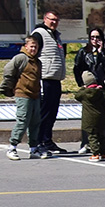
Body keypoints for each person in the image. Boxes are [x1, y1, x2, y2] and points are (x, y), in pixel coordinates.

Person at [73, 26, 105, 155]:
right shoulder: (83, 52)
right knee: (89, 117)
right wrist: (81, 84)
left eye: (98, 37)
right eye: (92, 37)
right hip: (89, 88)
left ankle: (103, 144)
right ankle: (86, 143)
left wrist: (101, 53)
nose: (95, 40)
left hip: (102, 87)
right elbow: (76, 68)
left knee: (102, 117)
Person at [3, 33, 44, 161]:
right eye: (31, 46)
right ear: (26, 46)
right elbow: (8, 71)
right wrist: (7, 87)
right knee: (23, 121)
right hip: (23, 95)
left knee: (35, 122)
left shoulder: (37, 62)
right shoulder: (20, 58)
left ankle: (33, 148)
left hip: (35, 95)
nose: (33, 49)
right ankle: (12, 147)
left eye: (36, 47)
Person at [32, 10, 67, 155]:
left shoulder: (56, 36)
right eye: (51, 19)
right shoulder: (39, 33)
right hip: (44, 78)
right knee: (44, 112)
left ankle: (48, 140)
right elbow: (31, 52)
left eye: (56, 20)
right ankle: (38, 142)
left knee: (53, 112)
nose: (54, 22)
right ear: (45, 19)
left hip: (55, 79)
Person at [74, 74, 105, 161]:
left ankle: (95, 154)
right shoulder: (101, 93)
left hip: (89, 119)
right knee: (102, 136)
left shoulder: (84, 93)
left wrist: (83, 87)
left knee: (92, 136)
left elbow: (76, 96)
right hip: (101, 117)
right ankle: (103, 153)